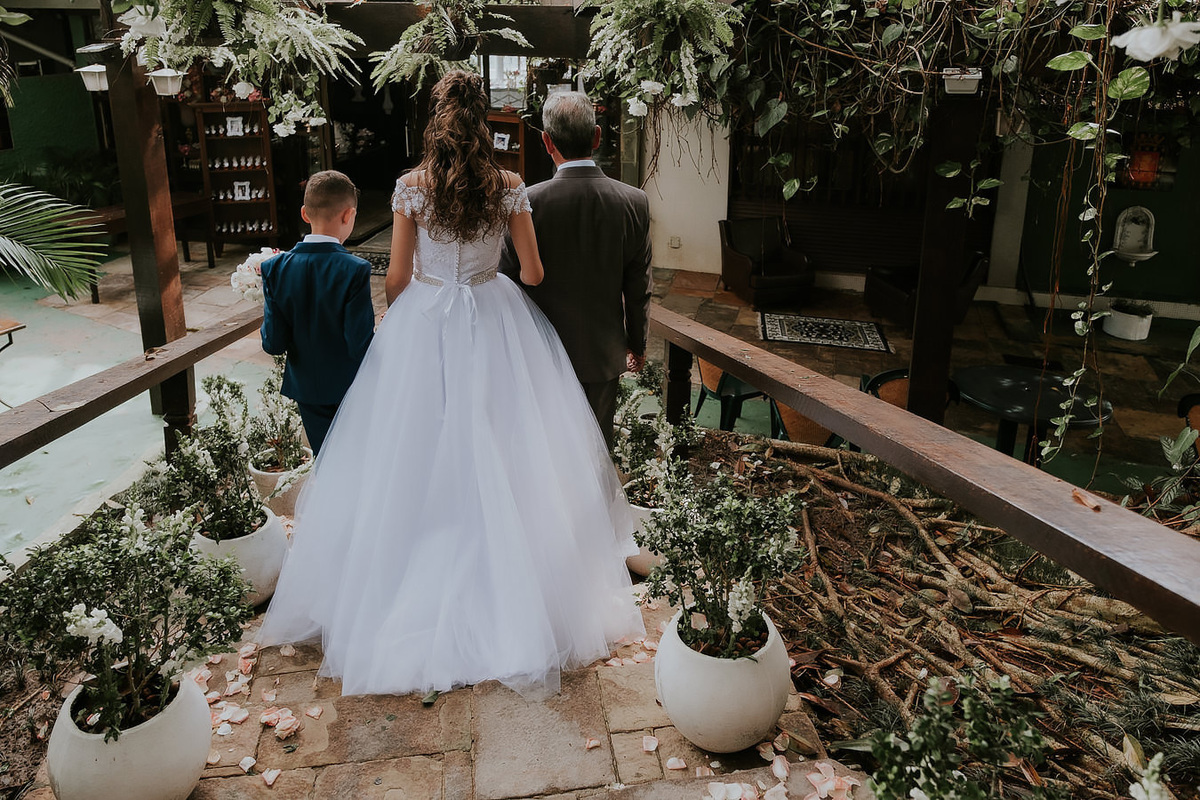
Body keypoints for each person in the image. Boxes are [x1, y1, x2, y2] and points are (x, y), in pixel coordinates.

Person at [259, 71, 644, 699]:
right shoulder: (509, 186)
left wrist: (422, 306)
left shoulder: (412, 188)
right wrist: (491, 271)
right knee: (502, 439)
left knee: (415, 442)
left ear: (437, 120)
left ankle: (412, 565)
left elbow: (396, 279)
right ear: (485, 119)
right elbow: (536, 273)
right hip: (495, 316)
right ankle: (514, 581)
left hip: (427, 317)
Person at [499, 90, 653, 450]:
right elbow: (638, 284)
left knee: (544, 449)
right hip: (602, 351)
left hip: (541, 352)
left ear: (546, 141)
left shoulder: (527, 204)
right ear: (597, 136)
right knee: (596, 448)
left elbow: (507, 281)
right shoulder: (634, 202)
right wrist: (637, 343)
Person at [259, 171, 375, 455]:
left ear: (304, 214)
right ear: (349, 215)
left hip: (307, 390)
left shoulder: (274, 268)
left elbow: (273, 343)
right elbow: (360, 344)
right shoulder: (354, 269)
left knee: (326, 462)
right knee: (355, 459)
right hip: (349, 388)